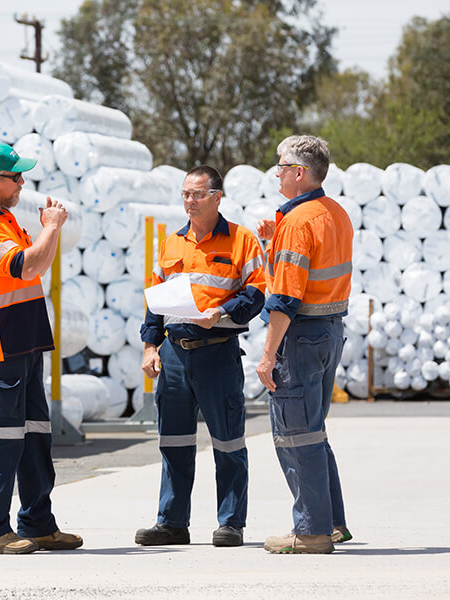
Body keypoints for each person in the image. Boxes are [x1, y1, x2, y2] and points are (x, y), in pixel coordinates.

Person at [0, 142, 83, 555]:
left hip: (22, 341)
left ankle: (38, 523)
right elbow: (28, 265)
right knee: (1, 439)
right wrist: (51, 226)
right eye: (15, 177)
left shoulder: (2, 217)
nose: (22, 182)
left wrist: (49, 231)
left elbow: (34, 265)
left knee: (34, 438)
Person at [137, 165, 266, 548]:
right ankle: (172, 522)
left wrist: (222, 313)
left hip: (217, 354)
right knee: (173, 441)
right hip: (174, 355)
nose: (189, 202)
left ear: (216, 197)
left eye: (196, 195)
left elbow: (257, 292)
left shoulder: (242, 240)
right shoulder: (171, 243)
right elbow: (155, 298)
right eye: (185, 195)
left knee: (228, 441)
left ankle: (231, 523)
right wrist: (149, 345)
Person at [255, 135, 353, 554]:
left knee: (296, 433)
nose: (276, 173)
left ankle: (311, 531)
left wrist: (267, 355)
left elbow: (285, 298)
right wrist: (271, 243)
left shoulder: (296, 223)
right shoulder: (335, 213)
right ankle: (331, 523)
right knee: (314, 431)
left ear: (299, 173)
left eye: (281, 166)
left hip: (300, 336)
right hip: (329, 330)